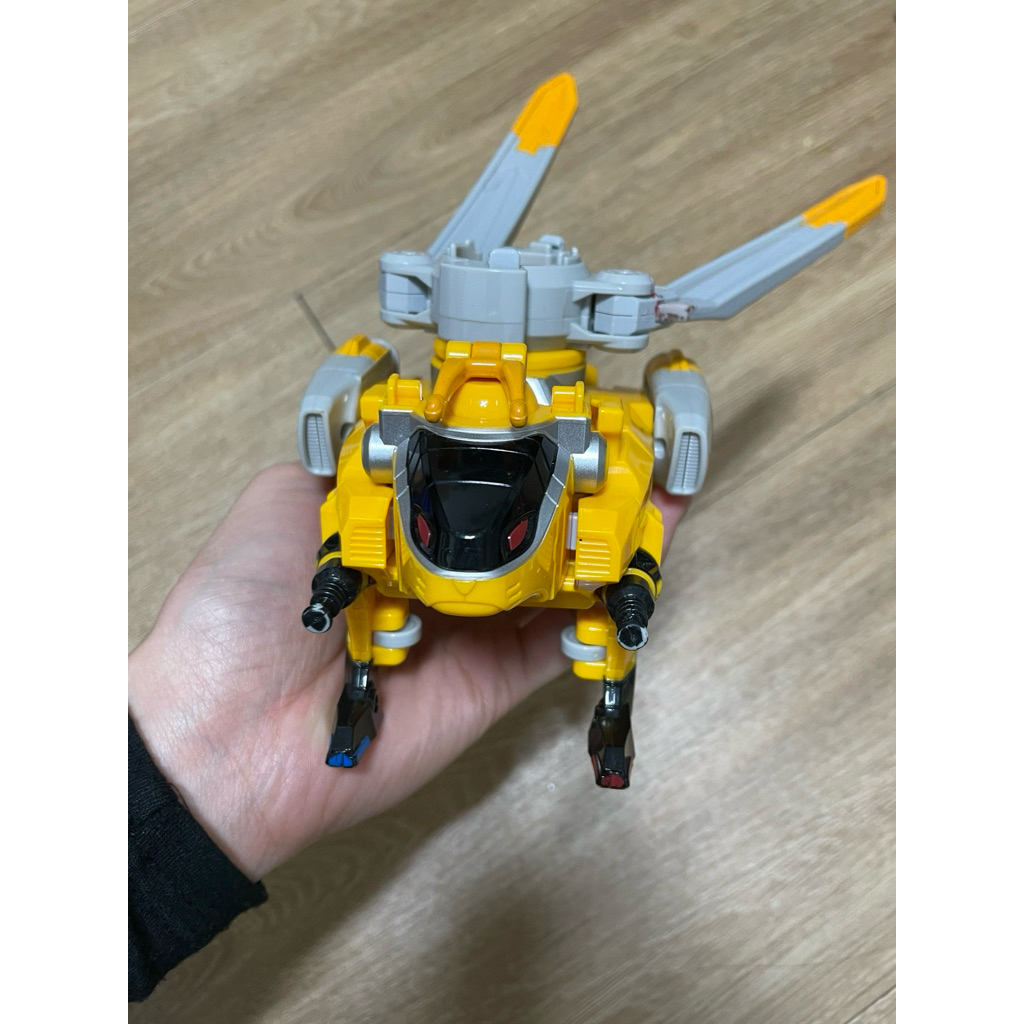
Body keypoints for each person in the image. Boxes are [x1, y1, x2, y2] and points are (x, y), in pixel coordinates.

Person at [128, 463, 689, 1000]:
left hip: (536, 559)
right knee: (362, 567)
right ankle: (358, 687)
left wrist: (633, 590)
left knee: (617, 580)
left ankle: (612, 703)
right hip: (428, 550)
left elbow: (633, 530)